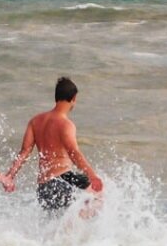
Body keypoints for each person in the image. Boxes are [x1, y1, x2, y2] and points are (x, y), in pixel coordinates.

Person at [6, 76, 103, 213]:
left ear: (56, 97)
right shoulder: (66, 125)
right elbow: (74, 153)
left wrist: (10, 176)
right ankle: (76, 226)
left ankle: (68, 229)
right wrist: (92, 176)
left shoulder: (35, 121)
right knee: (100, 196)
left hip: (43, 187)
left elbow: (24, 152)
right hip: (63, 179)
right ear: (74, 98)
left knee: (55, 222)